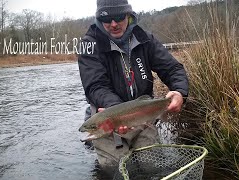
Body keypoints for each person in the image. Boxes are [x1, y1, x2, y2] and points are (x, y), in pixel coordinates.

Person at [77, 0, 189, 169]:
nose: (113, 24)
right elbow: (95, 86)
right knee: (115, 170)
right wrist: (117, 114)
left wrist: (180, 92)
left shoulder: (144, 38)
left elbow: (172, 68)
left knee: (152, 167)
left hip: (144, 117)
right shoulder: (89, 45)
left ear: (129, 15)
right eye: (107, 19)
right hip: (106, 120)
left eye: (119, 17)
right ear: (99, 19)